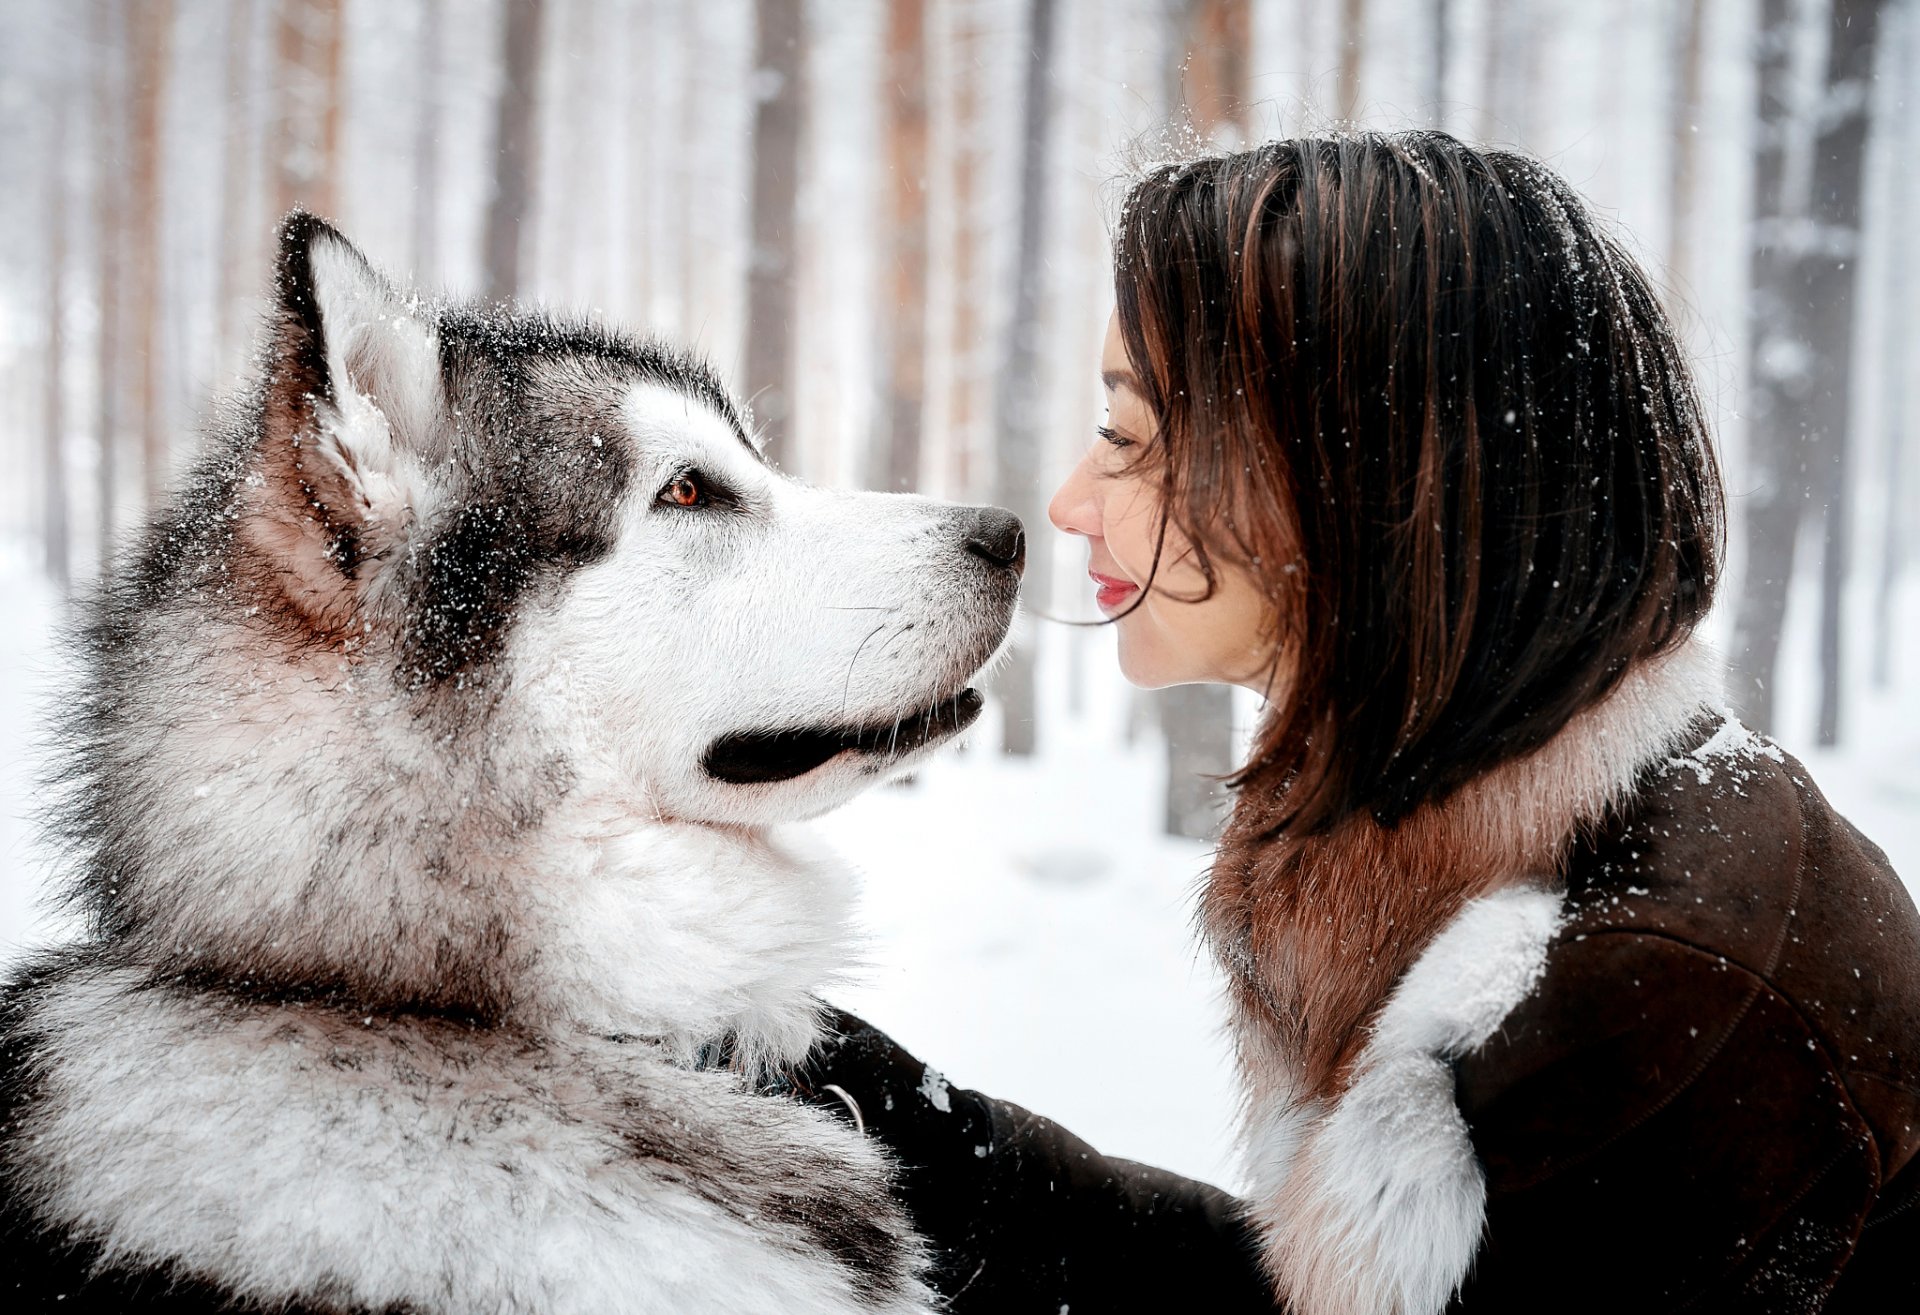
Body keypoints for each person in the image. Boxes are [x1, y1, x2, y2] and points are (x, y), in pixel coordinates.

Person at [800, 132, 1920, 1314]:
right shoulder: (1491, 842)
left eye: (1130, 437)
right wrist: (916, 1142)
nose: (1072, 501)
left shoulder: (1656, 991)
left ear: (1354, 476)